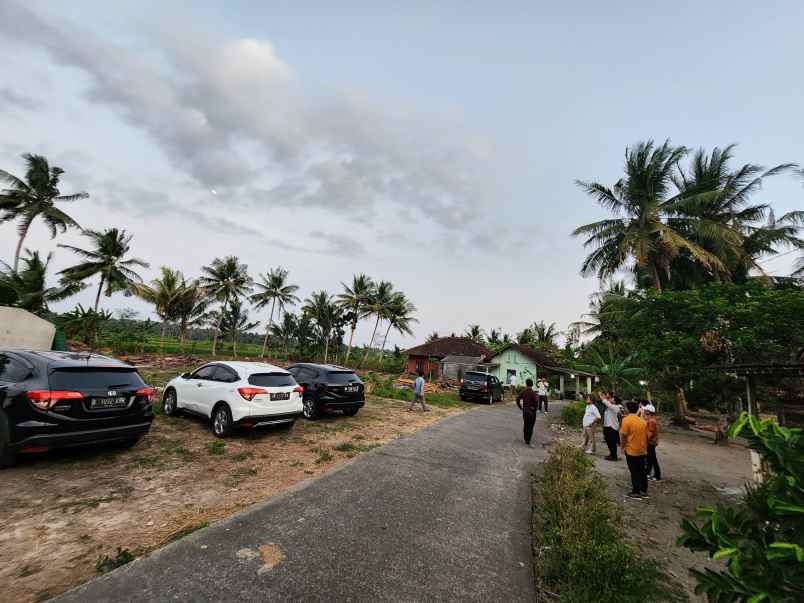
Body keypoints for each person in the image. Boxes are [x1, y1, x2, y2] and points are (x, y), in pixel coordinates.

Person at [620, 400, 649, 499]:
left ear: (628, 409)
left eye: (625, 408)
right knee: (642, 471)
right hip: (642, 449)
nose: (624, 409)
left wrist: (622, 447)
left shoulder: (626, 420)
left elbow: (623, 436)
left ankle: (636, 491)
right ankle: (643, 491)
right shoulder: (642, 421)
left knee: (634, 471)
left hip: (631, 450)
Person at [516, 378, 539, 447]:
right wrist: (535, 409)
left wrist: (520, 407)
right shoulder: (533, 392)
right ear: (532, 385)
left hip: (525, 411)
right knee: (530, 426)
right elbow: (536, 401)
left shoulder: (524, 391)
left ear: (526, 384)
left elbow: (517, 398)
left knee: (526, 425)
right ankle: (528, 441)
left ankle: (526, 439)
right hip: (531, 412)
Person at [601, 392, 623, 461]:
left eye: (612, 399)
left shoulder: (618, 407)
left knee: (612, 442)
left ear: (615, 401)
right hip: (607, 426)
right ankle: (611, 454)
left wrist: (603, 398)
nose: (610, 399)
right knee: (608, 441)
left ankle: (614, 456)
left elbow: (608, 404)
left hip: (612, 427)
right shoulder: (610, 406)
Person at [645, 404, 661, 481]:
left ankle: (657, 475)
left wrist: (646, 440)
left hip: (651, 443)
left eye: (646, 411)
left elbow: (650, 433)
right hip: (651, 442)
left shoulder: (652, 421)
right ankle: (648, 473)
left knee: (652, 459)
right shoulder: (651, 420)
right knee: (650, 459)